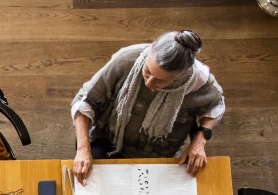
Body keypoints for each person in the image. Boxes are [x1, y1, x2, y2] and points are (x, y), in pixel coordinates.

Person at [70, 30, 225, 184]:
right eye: (147, 71)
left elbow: (216, 104)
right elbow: (85, 101)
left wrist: (200, 140)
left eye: (160, 81)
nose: (149, 83)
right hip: (110, 141)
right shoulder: (126, 59)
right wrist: (83, 149)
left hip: (163, 152)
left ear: (181, 75)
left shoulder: (199, 80)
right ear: (152, 47)